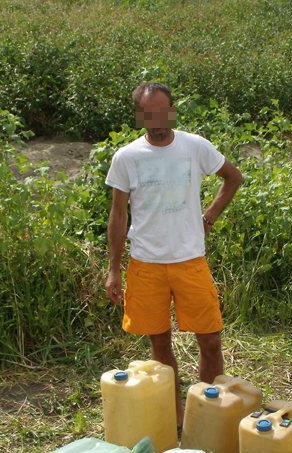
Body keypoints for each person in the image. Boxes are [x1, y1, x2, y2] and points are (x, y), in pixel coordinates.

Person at [105, 82, 243, 425]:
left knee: (210, 341)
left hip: (189, 260)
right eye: (149, 113)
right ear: (140, 116)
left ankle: (209, 414)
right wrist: (114, 269)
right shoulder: (127, 157)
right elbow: (119, 214)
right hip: (146, 264)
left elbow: (232, 177)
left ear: (172, 110)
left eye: (163, 111)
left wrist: (208, 218)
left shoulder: (195, 147)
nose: (158, 119)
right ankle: (177, 416)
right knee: (160, 342)